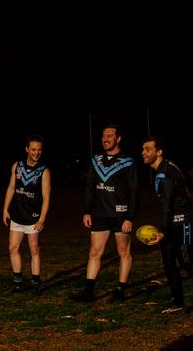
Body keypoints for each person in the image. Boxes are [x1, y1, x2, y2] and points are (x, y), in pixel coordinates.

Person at [73, 124, 139, 302]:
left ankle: (120, 290)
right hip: (99, 214)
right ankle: (88, 291)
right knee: (94, 252)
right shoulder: (96, 160)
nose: (105, 139)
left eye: (109, 136)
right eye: (103, 136)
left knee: (123, 252)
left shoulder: (128, 161)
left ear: (118, 139)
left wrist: (129, 217)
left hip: (120, 215)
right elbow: (90, 187)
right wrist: (87, 211)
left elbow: (133, 191)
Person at [141, 136, 193, 313]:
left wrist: (163, 230)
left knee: (187, 263)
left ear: (159, 151)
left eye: (148, 149)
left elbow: (168, 203)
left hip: (183, 223)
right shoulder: (163, 169)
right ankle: (178, 303)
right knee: (169, 263)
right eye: (143, 149)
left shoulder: (166, 172)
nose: (144, 153)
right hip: (171, 223)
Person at [2, 135, 51, 295]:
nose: (37, 153)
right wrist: (5, 209)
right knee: (13, 248)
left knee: (34, 249)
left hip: (33, 217)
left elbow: (46, 197)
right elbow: (11, 188)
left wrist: (42, 219)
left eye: (39, 150)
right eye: (34, 149)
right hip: (17, 214)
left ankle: (35, 283)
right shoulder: (17, 166)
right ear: (27, 150)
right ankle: (17, 283)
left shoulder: (44, 171)